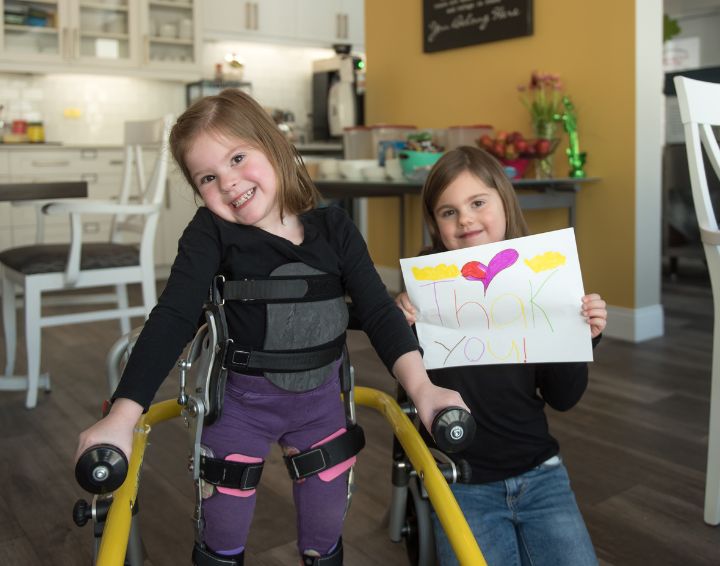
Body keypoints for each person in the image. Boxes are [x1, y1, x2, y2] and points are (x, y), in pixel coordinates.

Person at [75, 89, 467, 566]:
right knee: (222, 539)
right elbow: (174, 317)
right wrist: (122, 416)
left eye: (239, 158)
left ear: (274, 145)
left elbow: (379, 314)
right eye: (208, 177)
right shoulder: (210, 233)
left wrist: (424, 389)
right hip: (240, 410)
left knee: (324, 539)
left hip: (321, 409)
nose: (230, 183)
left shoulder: (335, 228)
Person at [395, 146, 607, 566]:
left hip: (540, 472)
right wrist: (401, 327)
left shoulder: (541, 280)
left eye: (477, 203)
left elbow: (563, 398)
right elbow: (410, 390)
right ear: (436, 224)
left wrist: (582, 336)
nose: (466, 219)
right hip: (462, 480)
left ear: (504, 202)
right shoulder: (426, 288)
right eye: (448, 212)